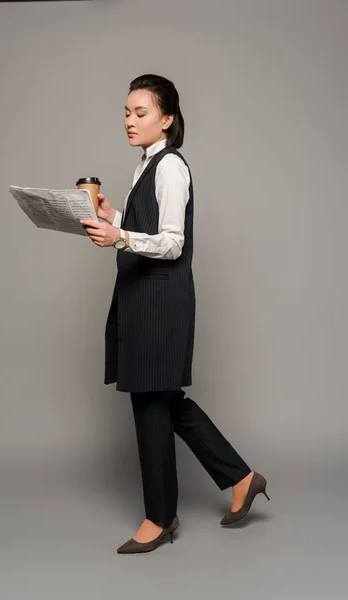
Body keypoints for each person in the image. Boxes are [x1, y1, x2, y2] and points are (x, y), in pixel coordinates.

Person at [80, 74, 270, 554]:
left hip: (159, 300)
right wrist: (115, 217)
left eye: (140, 113)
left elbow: (172, 242)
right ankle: (241, 477)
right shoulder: (147, 165)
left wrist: (120, 238)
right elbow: (150, 225)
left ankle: (160, 518)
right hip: (144, 296)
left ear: (166, 119)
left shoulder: (169, 167)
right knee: (164, 398)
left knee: (150, 402)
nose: (129, 120)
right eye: (126, 112)